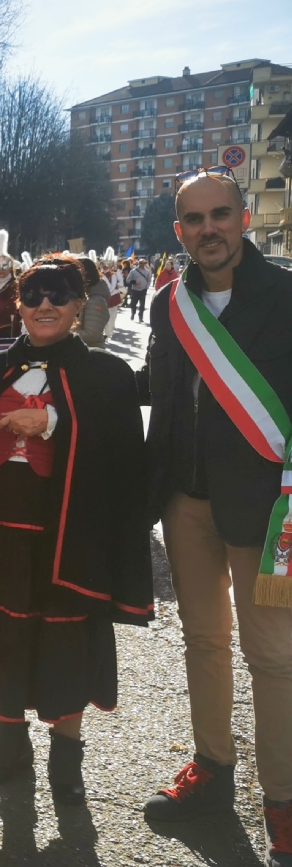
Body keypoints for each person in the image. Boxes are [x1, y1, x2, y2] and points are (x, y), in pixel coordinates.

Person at [0, 255, 153, 804]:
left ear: (78, 306)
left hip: (70, 536)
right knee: (3, 635)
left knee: (66, 638)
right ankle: (10, 748)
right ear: (17, 306)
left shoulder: (107, 374)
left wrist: (52, 423)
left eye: (59, 295)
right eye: (34, 296)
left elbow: (120, 458)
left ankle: (66, 762)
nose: (45, 305)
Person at [138, 169, 292, 862]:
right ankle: (212, 772)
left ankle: (284, 803)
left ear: (243, 220)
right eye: (194, 220)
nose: (209, 229)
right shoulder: (170, 303)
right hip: (186, 503)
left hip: (267, 510)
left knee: (274, 659)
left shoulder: (286, 296)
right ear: (180, 233)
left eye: (220, 214)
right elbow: (157, 397)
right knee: (204, 642)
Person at [73, 256, 110, 349]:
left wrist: (61, 332)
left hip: (89, 355)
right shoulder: (84, 296)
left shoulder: (96, 300)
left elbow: (91, 335)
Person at [102, 250, 125, 340]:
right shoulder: (112, 274)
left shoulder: (114, 274)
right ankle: (107, 333)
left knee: (110, 315)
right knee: (111, 316)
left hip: (108, 297)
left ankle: (107, 332)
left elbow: (119, 285)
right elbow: (120, 285)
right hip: (110, 297)